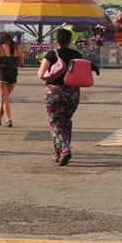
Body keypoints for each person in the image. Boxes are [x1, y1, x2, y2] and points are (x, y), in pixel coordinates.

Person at [39, 28, 83, 165]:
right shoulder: (77, 55)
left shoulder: (52, 54)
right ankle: (57, 153)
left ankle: (64, 149)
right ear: (70, 40)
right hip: (73, 94)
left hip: (55, 92)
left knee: (55, 123)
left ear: (56, 40)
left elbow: (41, 74)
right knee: (65, 122)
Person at [0, 32, 22, 127]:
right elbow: (21, 63)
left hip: (2, 74)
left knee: (5, 99)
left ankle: (8, 120)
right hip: (13, 74)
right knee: (3, 98)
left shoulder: (0, 48)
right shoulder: (17, 48)